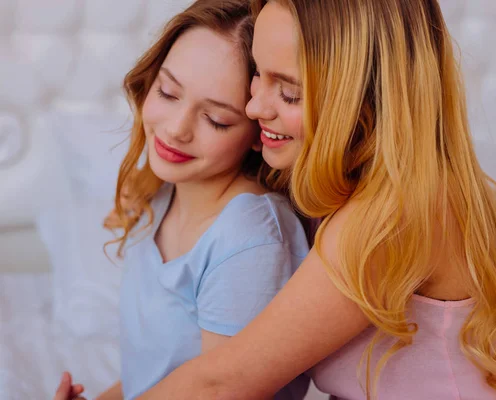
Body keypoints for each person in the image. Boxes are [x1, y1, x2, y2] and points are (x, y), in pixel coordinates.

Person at [57, 0, 496, 399]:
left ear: (365, 97)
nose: (254, 108)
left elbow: (225, 379)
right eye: (258, 77)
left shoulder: (393, 216)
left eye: (289, 93)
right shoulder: (328, 187)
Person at [53, 1, 310, 400]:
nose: (175, 130)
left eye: (216, 120)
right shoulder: (161, 193)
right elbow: (160, 376)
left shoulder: (249, 238)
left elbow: (216, 390)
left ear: (259, 131)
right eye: (168, 92)